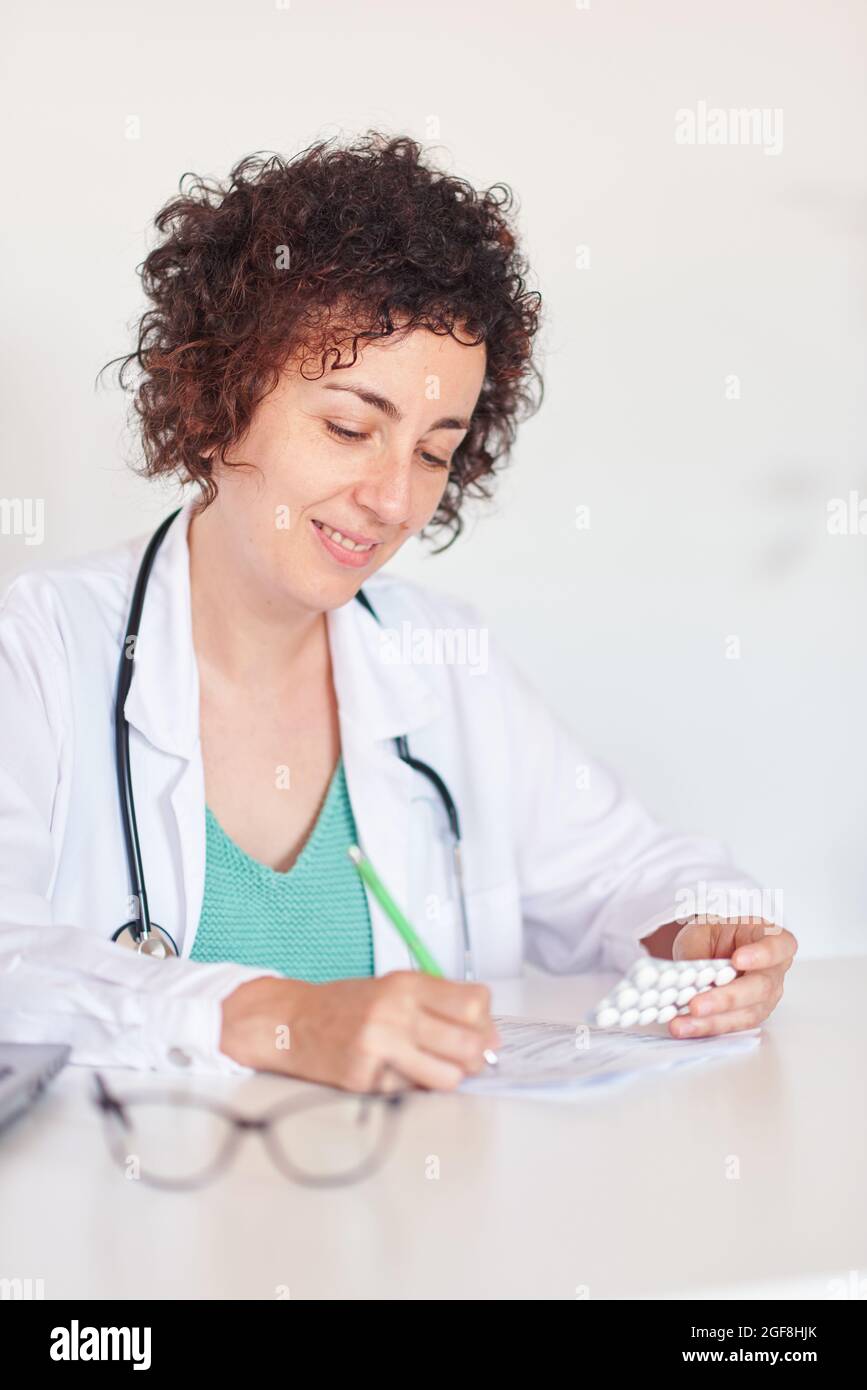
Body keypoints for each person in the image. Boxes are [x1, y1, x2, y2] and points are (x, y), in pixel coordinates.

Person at [0, 133, 796, 1091]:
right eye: (348, 427)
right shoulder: (37, 649)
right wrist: (276, 1017)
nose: (391, 500)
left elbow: (632, 871)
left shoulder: (438, 656)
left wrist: (705, 934)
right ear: (215, 402)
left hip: (410, 1230)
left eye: (432, 451)